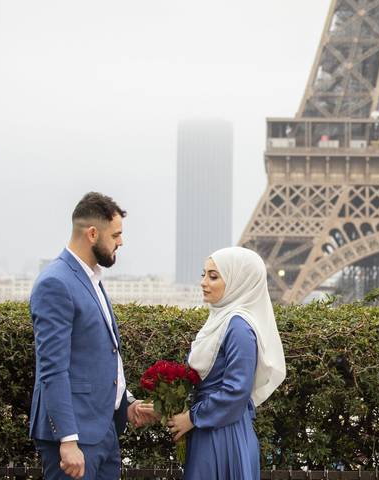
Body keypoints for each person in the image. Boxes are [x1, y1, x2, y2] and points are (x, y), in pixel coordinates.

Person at [29, 192, 157, 480]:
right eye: (116, 235)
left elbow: (97, 357)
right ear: (92, 233)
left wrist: (128, 403)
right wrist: (67, 440)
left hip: (103, 431)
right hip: (76, 439)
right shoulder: (56, 283)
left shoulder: (90, 278)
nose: (121, 242)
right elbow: (53, 369)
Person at [167, 247, 286, 480]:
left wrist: (191, 418)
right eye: (204, 274)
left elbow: (236, 391)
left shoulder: (239, 327)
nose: (203, 282)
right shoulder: (222, 321)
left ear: (238, 282)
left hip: (223, 434)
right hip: (210, 428)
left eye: (213, 276)